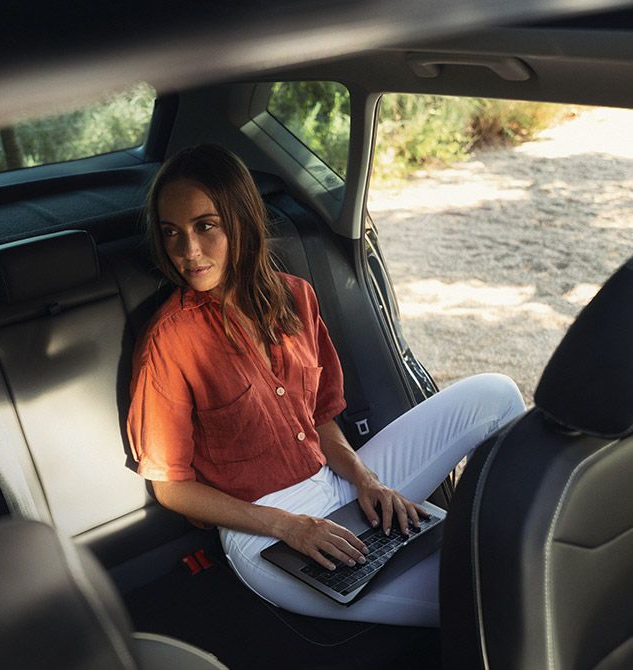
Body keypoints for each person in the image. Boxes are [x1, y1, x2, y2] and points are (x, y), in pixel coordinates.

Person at [127, 144, 525, 626]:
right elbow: (171, 487)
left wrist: (366, 480)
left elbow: (318, 419)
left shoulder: (297, 296)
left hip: (335, 483)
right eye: (173, 234)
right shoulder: (171, 340)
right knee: (485, 606)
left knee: (496, 393)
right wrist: (287, 526)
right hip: (263, 534)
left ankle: (520, 529)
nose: (188, 252)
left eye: (205, 226)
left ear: (240, 220)